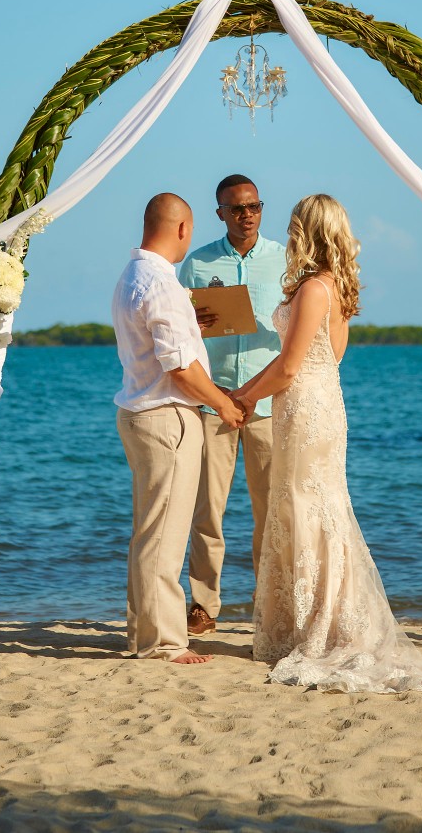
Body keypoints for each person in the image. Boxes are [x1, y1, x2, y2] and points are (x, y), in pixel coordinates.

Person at [234, 194, 422, 693]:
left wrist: (239, 397)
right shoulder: (337, 287)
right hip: (323, 403)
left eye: (294, 225)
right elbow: (325, 359)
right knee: (320, 508)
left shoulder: (311, 291)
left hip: (304, 407)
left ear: (307, 232)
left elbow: (288, 366)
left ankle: (318, 628)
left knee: (305, 509)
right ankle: (320, 620)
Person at [111, 192, 245, 665]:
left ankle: (143, 632)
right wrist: (223, 404)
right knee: (165, 534)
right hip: (167, 415)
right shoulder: (161, 282)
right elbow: (180, 368)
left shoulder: (133, 275)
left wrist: (192, 321)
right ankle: (164, 641)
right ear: (184, 228)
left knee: (150, 530)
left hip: (140, 412)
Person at [179, 174, 286, 637]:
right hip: (214, 400)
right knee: (207, 510)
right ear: (220, 212)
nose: (247, 214)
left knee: (272, 510)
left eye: (254, 206)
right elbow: (178, 328)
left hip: (266, 401)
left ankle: (269, 605)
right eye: (237, 207)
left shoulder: (287, 260)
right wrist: (195, 321)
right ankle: (204, 606)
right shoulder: (197, 263)